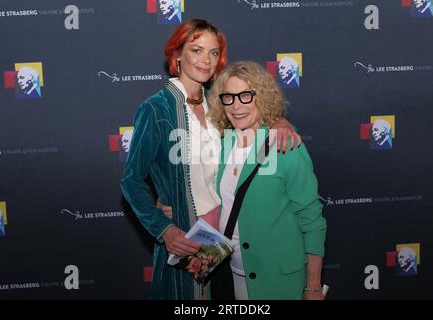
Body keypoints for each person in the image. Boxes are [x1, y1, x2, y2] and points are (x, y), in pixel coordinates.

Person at [120, 19, 300, 300]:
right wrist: (164, 230)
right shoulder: (156, 108)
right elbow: (131, 181)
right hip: (184, 234)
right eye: (197, 50)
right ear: (177, 55)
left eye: (214, 53)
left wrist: (280, 121)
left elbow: (253, 120)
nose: (206, 60)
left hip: (227, 237)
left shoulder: (217, 103)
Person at [207, 61, 326, 300]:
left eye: (246, 96)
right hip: (228, 275)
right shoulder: (220, 144)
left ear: (262, 98)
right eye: (228, 97)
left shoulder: (283, 145)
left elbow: (312, 220)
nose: (236, 106)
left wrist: (313, 286)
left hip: (278, 280)